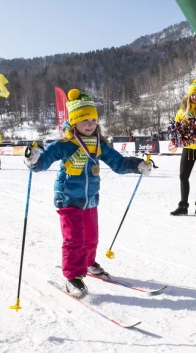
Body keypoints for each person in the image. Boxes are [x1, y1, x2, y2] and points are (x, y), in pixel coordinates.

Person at [25, 89, 152, 298]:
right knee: (74, 239)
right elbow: (42, 163)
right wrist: (34, 159)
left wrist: (138, 165)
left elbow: (119, 163)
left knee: (91, 237)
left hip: (91, 199)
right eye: (85, 120)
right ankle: (73, 277)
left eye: (93, 119)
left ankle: (88, 262)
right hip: (68, 198)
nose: (91, 124)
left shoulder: (99, 144)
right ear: (74, 121)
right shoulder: (64, 145)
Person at [170, 79, 196, 216]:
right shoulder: (182, 111)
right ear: (189, 96)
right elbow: (177, 127)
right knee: (183, 175)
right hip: (188, 148)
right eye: (193, 95)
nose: (195, 97)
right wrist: (179, 134)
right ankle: (183, 205)